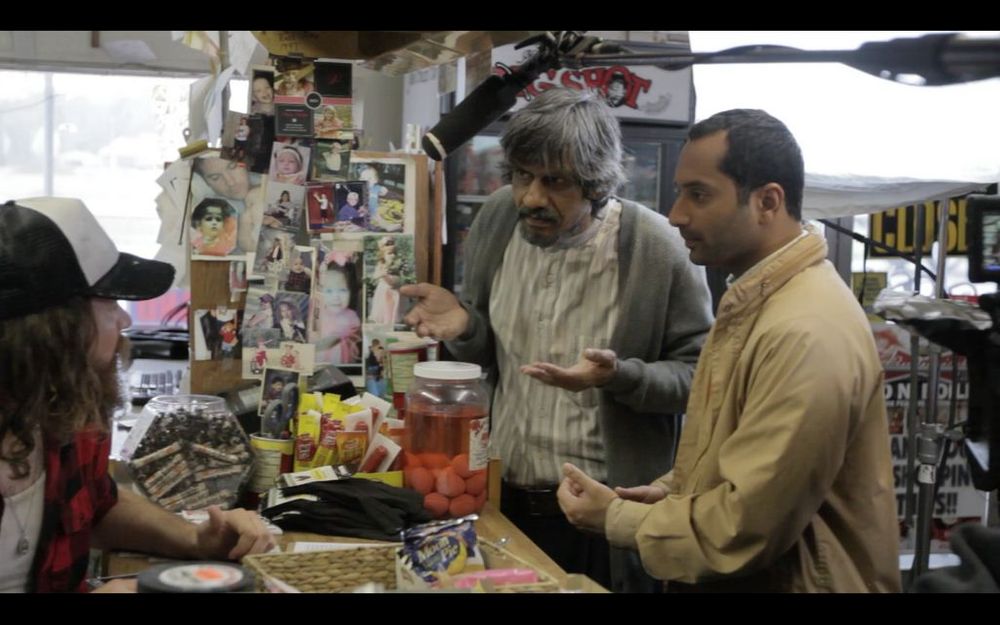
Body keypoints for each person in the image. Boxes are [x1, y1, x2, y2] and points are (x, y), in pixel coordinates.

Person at [556, 109, 901, 593]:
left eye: (698, 195)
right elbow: (743, 454)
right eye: (680, 192)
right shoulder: (760, 300)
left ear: (767, 202)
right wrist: (673, 492)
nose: (676, 214)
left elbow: (746, 524)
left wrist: (615, 517)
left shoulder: (803, 330)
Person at [400, 88, 713, 592]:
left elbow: (703, 379)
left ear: (596, 183)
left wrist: (619, 377)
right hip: (499, 501)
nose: (531, 198)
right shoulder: (498, 218)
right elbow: (489, 351)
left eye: (555, 182)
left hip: (602, 518)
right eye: (523, 176)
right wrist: (465, 328)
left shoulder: (655, 248)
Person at [0, 197, 274, 593]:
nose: (125, 318)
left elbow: (97, 504)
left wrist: (195, 538)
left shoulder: (69, 412)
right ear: (58, 327)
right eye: (109, 302)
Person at [192, 156, 265, 253]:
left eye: (233, 167)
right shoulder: (215, 211)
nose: (230, 182)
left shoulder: (266, 180)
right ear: (205, 182)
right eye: (215, 177)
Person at [314, 255, 362, 365]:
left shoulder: (351, 317)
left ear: (351, 291)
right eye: (329, 291)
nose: (336, 297)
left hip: (340, 364)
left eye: (342, 290)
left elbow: (333, 340)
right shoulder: (318, 313)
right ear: (320, 290)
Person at [369, 237, 403, 326]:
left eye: (394, 253)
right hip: (383, 290)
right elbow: (375, 276)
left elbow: (397, 280)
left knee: (392, 311)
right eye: (389, 253)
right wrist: (381, 274)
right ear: (383, 255)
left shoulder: (396, 267)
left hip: (393, 291)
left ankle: (392, 325)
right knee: (384, 310)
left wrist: (390, 276)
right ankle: (384, 326)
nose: (393, 256)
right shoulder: (381, 265)